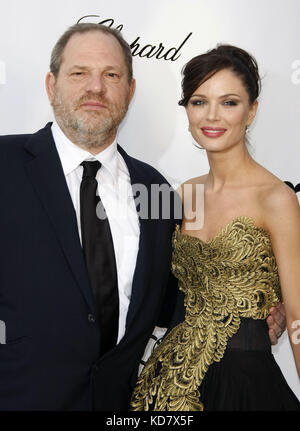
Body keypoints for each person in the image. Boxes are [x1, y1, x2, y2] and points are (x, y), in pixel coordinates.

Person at [0, 25, 285, 411]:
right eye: (79, 73)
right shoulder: (6, 165)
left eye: (112, 75)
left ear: (130, 92)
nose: (96, 87)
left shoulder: (156, 191)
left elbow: (175, 301)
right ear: (51, 85)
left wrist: (254, 310)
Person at [130, 44, 300, 411]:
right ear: (187, 110)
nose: (212, 116)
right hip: (165, 387)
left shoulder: (276, 199)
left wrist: (282, 315)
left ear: (251, 111)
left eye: (229, 102)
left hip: (244, 387)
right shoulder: (183, 194)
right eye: (198, 101)